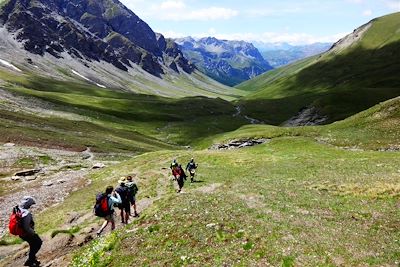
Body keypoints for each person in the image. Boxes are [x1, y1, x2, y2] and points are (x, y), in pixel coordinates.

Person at [19, 196, 42, 267]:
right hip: (27, 234)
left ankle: (32, 259)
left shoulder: (18, 209)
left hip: (21, 234)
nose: (31, 206)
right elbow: (27, 227)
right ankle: (30, 261)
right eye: (30, 204)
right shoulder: (26, 213)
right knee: (38, 243)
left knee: (32, 245)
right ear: (28, 204)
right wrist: (33, 233)